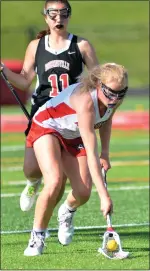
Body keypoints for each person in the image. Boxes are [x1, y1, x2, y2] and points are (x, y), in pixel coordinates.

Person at [0, 0, 99, 220]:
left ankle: (55, 217)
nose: (58, 18)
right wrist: (4, 71)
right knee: (31, 169)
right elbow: (25, 81)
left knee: (58, 178)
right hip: (43, 115)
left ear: (69, 16)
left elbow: (97, 80)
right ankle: (33, 183)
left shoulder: (81, 46)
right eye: (53, 14)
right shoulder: (36, 46)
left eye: (63, 14)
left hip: (71, 117)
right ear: (45, 16)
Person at [23, 62, 128, 256]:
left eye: (121, 93)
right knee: (54, 181)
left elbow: (106, 118)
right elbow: (90, 153)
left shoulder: (114, 97)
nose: (115, 98)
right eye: (111, 93)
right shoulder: (85, 101)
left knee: (83, 192)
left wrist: (105, 152)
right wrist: (104, 196)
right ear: (98, 84)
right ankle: (37, 236)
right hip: (48, 125)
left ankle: (67, 211)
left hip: (72, 132)